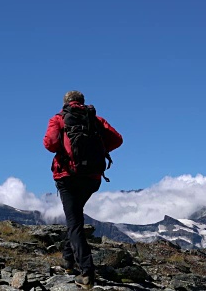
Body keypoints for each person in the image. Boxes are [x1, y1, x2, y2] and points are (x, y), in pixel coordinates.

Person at [43, 90, 123, 289]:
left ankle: (86, 272)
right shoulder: (96, 120)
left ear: (66, 103)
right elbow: (117, 139)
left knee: (74, 222)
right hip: (92, 178)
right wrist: (99, 150)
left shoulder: (59, 119)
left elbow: (50, 144)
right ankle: (68, 261)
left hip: (67, 177)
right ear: (82, 102)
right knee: (76, 217)